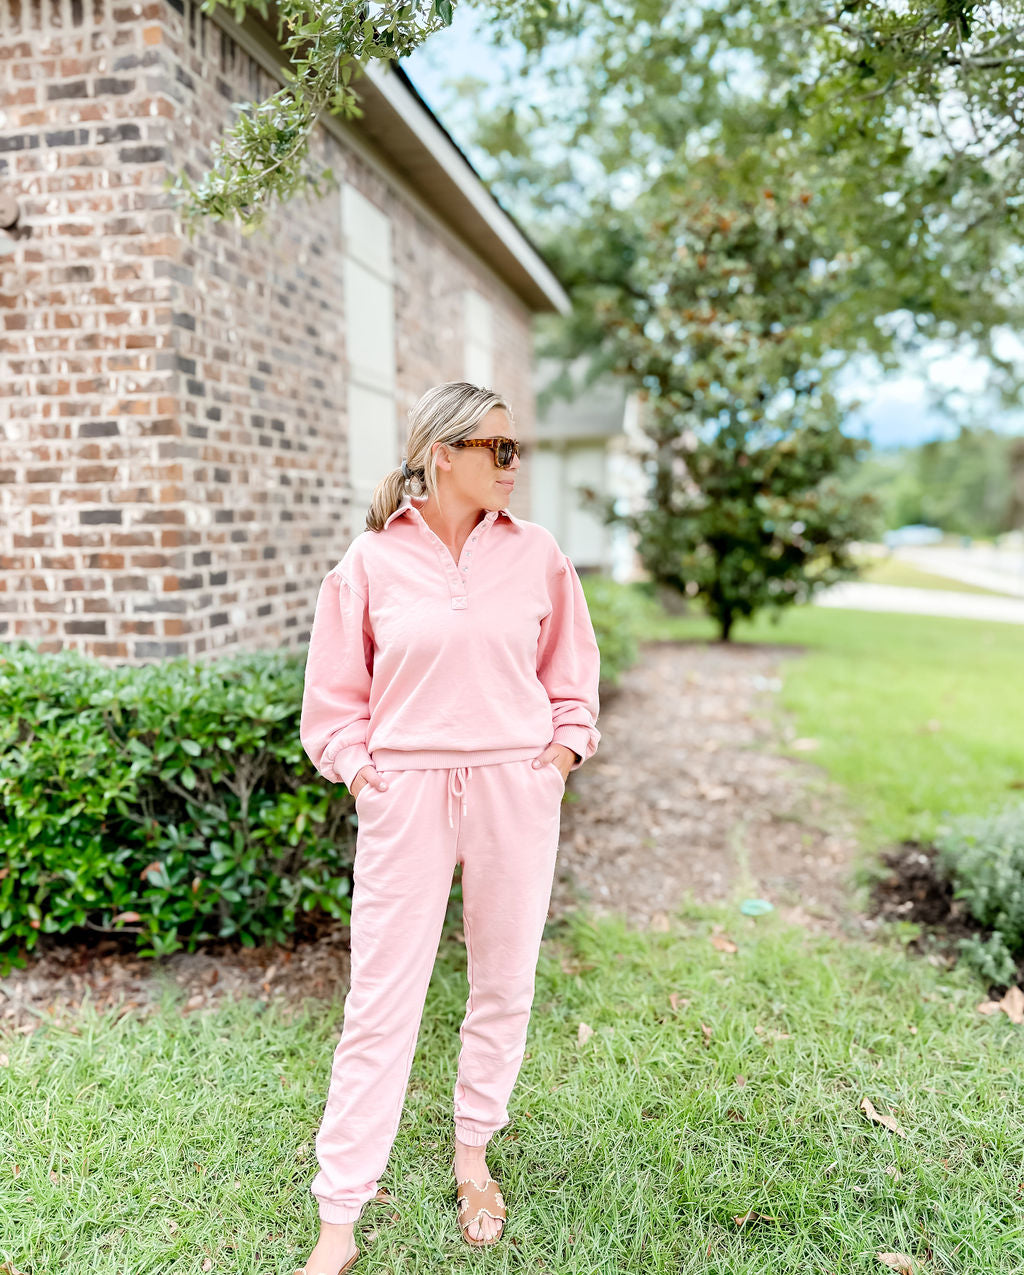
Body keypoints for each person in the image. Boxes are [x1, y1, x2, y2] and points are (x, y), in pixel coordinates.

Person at [296, 381, 602, 1275]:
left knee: (503, 981)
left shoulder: (539, 555)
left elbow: (573, 683)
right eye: (498, 449)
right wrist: (364, 774)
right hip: (408, 793)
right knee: (381, 999)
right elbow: (331, 702)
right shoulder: (368, 563)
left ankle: (474, 1155)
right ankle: (340, 1214)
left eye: (518, 450)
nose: (515, 465)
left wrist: (555, 763)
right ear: (443, 455)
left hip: (515, 785)